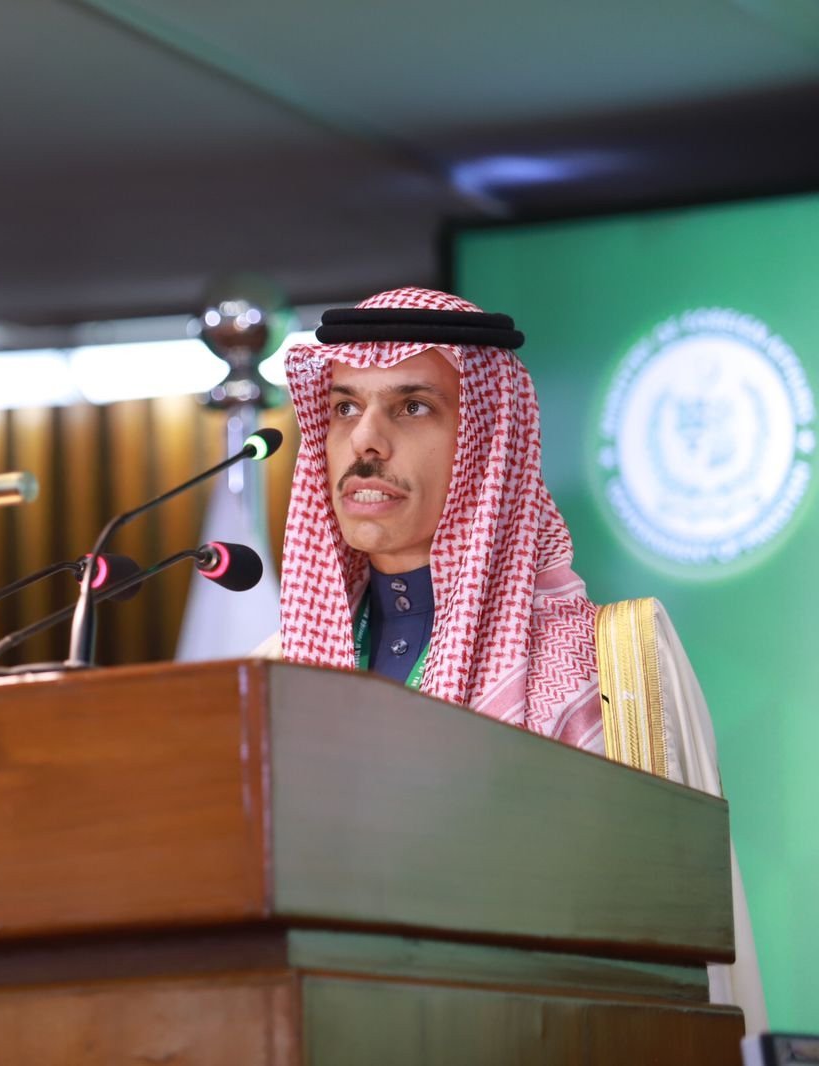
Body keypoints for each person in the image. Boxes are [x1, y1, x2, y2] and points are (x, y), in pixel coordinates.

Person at [254, 286, 767, 1030]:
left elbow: (679, 960)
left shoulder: (611, 662)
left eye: (411, 407)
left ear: (486, 443)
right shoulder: (277, 672)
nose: (364, 441)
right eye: (342, 407)